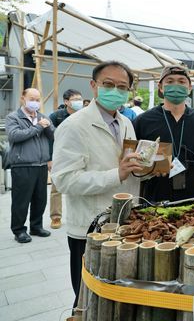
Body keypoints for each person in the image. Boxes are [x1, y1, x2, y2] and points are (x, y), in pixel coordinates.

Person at [52, 61, 143, 309]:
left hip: (125, 224)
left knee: (119, 298)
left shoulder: (126, 122)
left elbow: (127, 166)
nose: (115, 91)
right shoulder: (73, 126)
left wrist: (144, 171)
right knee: (88, 298)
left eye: (122, 86)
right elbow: (64, 179)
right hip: (90, 229)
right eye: (108, 84)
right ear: (94, 86)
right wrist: (117, 174)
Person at [134, 65, 194, 202]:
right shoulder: (143, 121)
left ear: (189, 88)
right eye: (169, 81)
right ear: (161, 87)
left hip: (192, 200)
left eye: (182, 81)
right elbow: (134, 167)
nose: (176, 85)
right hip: (153, 201)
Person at [6, 88, 55, 243]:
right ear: (23, 99)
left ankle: (36, 226)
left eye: (38, 99)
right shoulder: (13, 117)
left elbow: (54, 136)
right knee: (21, 200)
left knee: (40, 199)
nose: (35, 102)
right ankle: (19, 230)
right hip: (22, 165)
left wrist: (48, 128)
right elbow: (14, 136)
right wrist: (38, 127)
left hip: (41, 165)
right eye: (32, 99)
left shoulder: (43, 117)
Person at [48, 88, 83, 229]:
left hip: (79, 155)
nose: (78, 102)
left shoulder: (84, 116)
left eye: (80, 99)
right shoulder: (56, 116)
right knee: (57, 187)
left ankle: (79, 215)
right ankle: (56, 217)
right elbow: (49, 139)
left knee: (80, 185)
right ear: (66, 102)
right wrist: (49, 158)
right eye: (75, 100)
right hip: (60, 156)